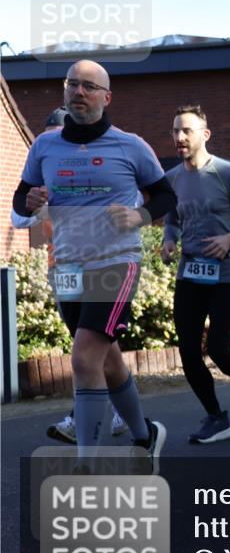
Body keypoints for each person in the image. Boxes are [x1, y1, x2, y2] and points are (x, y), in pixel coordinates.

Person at [12, 60, 173, 470]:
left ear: (106, 96)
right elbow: (21, 197)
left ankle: (89, 465)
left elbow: (165, 197)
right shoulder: (44, 146)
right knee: (106, 359)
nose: (79, 92)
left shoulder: (131, 145)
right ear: (64, 92)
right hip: (66, 266)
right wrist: (28, 202)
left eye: (89, 86)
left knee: (84, 357)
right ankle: (145, 435)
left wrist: (139, 216)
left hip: (116, 263)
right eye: (72, 85)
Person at [161, 105, 230, 444]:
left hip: (227, 273)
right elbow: (172, 220)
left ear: (204, 134)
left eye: (186, 131)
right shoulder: (173, 179)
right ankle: (216, 417)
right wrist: (168, 240)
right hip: (189, 272)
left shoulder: (227, 173)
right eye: (175, 131)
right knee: (188, 352)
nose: (179, 137)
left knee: (219, 348)